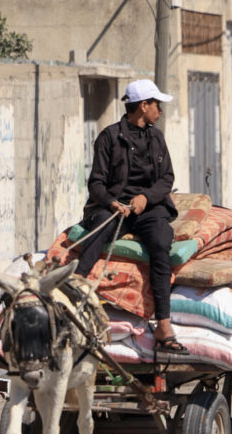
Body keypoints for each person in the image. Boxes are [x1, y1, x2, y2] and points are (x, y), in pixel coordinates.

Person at [73, 80, 185, 353]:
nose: (160, 110)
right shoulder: (109, 137)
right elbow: (96, 183)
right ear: (143, 105)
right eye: (156, 104)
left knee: (160, 241)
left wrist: (146, 198)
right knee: (98, 229)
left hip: (148, 209)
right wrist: (112, 203)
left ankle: (164, 325)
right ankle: (72, 293)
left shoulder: (156, 137)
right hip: (113, 209)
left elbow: (167, 178)